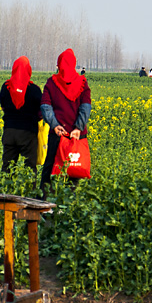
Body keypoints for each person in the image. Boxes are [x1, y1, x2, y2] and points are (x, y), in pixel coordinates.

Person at [40, 48, 91, 198]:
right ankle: (67, 205)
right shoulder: (82, 82)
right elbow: (85, 106)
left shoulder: (52, 82)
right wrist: (78, 128)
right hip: (76, 136)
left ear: (59, 65)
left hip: (58, 134)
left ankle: (44, 203)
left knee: (49, 169)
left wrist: (55, 125)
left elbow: (45, 106)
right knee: (74, 170)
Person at [0, 56, 42, 175]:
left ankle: (6, 191)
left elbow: (3, 106)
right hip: (28, 132)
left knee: (7, 166)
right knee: (30, 167)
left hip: (9, 131)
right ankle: (29, 191)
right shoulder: (34, 90)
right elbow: (41, 111)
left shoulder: (5, 87)